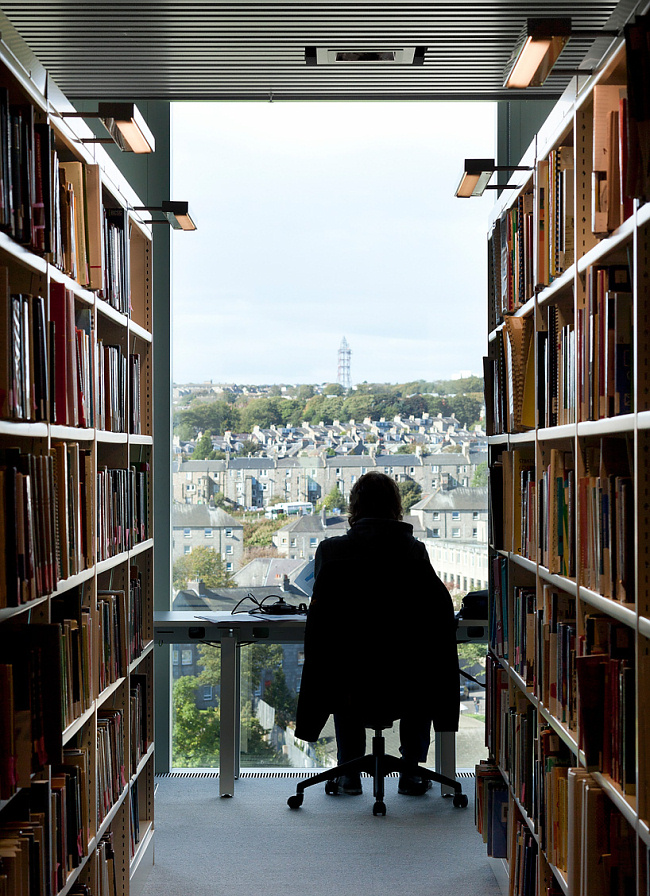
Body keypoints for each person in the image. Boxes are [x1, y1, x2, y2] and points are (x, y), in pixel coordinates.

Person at [295, 471, 460, 796]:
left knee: (343, 665)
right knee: (420, 667)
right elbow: (437, 619)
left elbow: (323, 625)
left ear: (355, 507)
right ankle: (412, 771)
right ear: (396, 507)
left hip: (350, 684)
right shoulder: (414, 552)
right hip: (406, 684)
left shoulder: (331, 551)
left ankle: (349, 773)